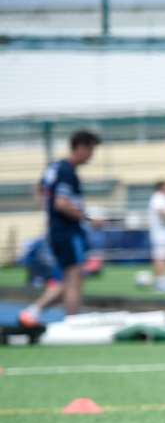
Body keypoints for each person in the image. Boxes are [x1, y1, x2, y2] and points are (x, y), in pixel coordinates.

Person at [19, 130, 102, 327]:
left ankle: (35, 312)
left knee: (69, 278)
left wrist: (48, 214)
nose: (92, 155)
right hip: (68, 232)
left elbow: (40, 190)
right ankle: (69, 322)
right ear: (80, 148)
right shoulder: (67, 171)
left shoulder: (54, 167)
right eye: (91, 150)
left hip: (57, 231)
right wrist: (88, 219)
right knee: (74, 278)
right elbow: (61, 203)